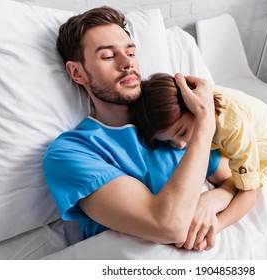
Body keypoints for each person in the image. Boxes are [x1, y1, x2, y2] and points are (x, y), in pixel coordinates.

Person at [43, 6, 245, 252]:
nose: (127, 63)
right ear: (77, 72)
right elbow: (169, 225)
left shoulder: (171, 122)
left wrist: (213, 200)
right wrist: (205, 121)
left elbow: (243, 182)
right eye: (108, 56)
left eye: (130, 52)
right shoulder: (71, 152)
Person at [131, 73, 267, 197]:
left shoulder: (230, 125)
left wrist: (217, 199)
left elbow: (247, 186)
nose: (180, 145)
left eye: (181, 132)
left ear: (193, 107)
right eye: (169, 142)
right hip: (245, 135)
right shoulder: (192, 100)